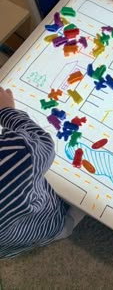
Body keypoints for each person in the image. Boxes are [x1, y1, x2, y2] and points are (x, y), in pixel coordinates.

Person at [0, 87, 85, 258]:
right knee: (84, 200)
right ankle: (63, 228)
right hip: (42, 223)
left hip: (6, 243)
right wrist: (6, 112)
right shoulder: (16, 152)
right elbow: (43, 144)